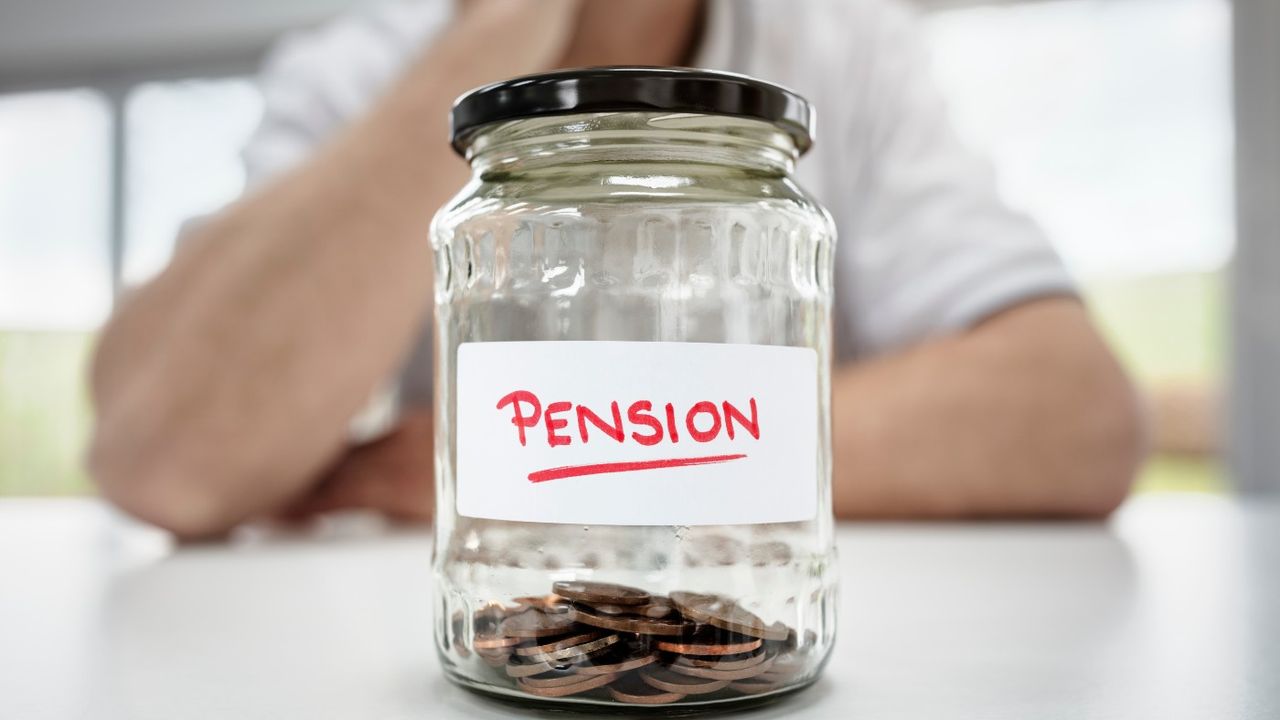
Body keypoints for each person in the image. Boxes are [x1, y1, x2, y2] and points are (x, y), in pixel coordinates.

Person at [88, 0, 1146, 539]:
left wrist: (545, 453)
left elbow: (1074, 414)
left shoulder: (842, 46)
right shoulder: (356, 67)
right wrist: (497, 32)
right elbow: (166, 456)